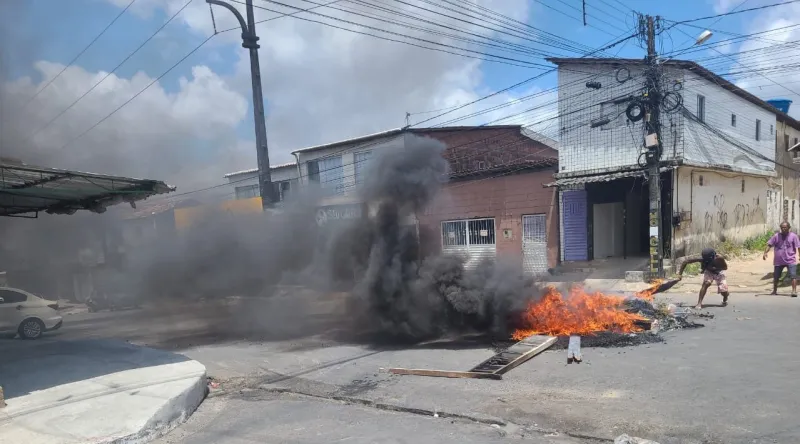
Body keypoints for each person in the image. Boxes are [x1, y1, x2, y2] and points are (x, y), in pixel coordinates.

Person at [763, 222, 800, 297]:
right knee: (776, 276)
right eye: (782, 227)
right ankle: (774, 291)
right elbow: (769, 244)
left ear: (789, 228)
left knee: (793, 276)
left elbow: (798, 247)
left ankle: (794, 291)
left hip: (790, 260)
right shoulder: (776, 236)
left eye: (785, 227)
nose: (783, 229)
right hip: (779, 261)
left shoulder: (793, 236)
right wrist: (765, 253)